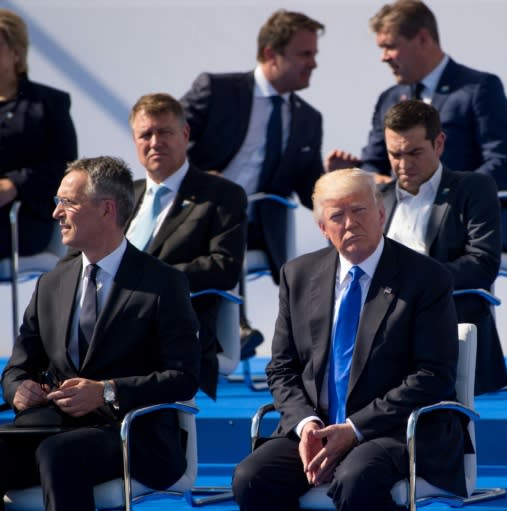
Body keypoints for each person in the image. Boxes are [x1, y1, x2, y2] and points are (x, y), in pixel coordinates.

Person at [231, 168, 467, 510]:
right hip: (319, 426)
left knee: (357, 479)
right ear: (323, 228)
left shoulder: (426, 278)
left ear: (381, 213)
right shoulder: (298, 275)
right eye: (337, 216)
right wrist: (305, 425)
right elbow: (282, 368)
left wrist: (354, 429)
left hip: (392, 430)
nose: (350, 223)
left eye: (360, 210)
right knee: (251, 477)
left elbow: (434, 375)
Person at [0, 156, 200, 510]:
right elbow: (17, 368)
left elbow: (183, 378)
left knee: (59, 454)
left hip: (135, 434)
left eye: (68, 203)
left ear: (107, 209)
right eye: (56, 202)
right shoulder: (52, 283)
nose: (56, 214)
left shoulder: (163, 282)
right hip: (52, 425)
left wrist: (107, 392)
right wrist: (19, 390)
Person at [180, 9, 325, 351]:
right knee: (222, 221)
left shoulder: (308, 118)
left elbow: (311, 190)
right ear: (271, 54)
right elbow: (166, 137)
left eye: (314, 55)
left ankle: (231, 334)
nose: (314, 63)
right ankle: (230, 331)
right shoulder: (217, 90)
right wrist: (198, 178)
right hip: (198, 214)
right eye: (305, 54)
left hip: (260, 225)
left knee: (234, 226)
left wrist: (336, 180)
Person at [379, 100, 507, 394]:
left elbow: (482, 264)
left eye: (414, 152)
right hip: (380, 327)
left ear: (439, 143)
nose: (403, 164)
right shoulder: (377, 197)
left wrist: (412, 281)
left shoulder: (473, 188)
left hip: (440, 319)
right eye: (394, 154)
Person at [326, 0, 507, 191]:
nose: (383, 57)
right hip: (400, 217)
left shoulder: (478, 89)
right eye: (381, 48)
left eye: (391, 46)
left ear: (423, 39)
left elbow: (503, 165)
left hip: (458, 216)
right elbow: (374, 164)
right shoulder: (389, 100)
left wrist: (449, 194)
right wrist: (359, 175)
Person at [127, 93, 247, 400]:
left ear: (185, 134)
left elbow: (224, 267)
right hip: (107, 323)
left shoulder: (221, 195)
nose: (155, 142)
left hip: (173, 325)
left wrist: (145, 279)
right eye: (145, 134)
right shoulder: (122, 196)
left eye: (164, 132)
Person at [0, 9, 77, 262]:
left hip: (23, 216)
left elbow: (65, 166)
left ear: (16, 53)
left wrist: (14, 185)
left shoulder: (49, 104)